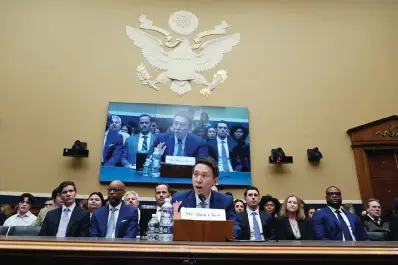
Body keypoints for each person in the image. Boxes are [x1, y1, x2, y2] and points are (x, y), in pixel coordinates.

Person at [171, 157, 235, 221]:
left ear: (215, 181)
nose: (198, 180)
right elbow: (167, 225)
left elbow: (234, 226)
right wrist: (175, 223)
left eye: (204, 176)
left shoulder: (226, 201)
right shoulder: (178, 199)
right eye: (196, 174)